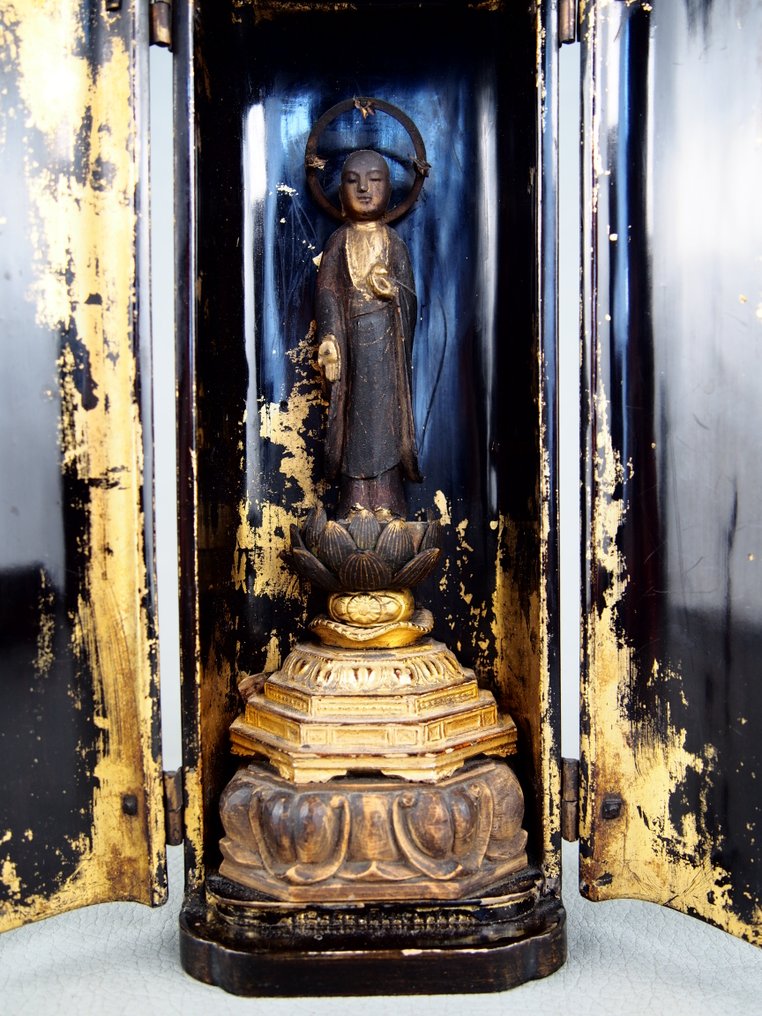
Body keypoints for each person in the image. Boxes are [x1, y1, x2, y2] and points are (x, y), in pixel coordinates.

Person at [315, 149, 421, 518]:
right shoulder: (338, 242)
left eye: (374, 180)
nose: (363, 189)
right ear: (340, 192)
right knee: (354, 424)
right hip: (352, 347)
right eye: (353, 181)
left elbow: (409, 297)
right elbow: (327, 294)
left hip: (386, 349)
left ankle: (388, 503)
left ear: (389, 190)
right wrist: (330, 340)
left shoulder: (393, 243)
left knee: (385, 424)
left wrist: (392, 292)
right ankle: (355, 502)